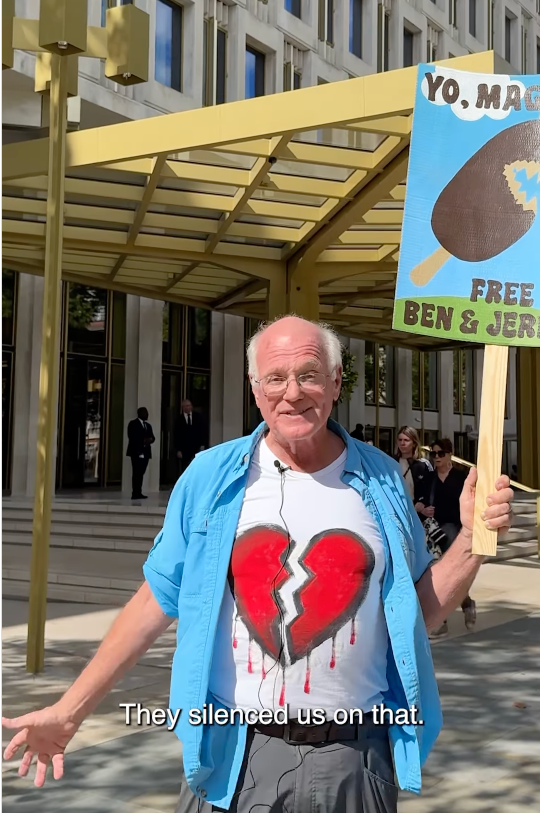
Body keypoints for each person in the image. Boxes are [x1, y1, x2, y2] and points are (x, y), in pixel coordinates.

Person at [3, 316, 513, 813]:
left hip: (354, 757)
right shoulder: (209, 477)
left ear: (336, 382)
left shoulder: (382, 480)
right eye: (275, 378)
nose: (292, 392)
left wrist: (471, 538)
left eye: (309, 374)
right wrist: (70, 712)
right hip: (232, 758)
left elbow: (417, 615)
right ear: (255, 389)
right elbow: (152, 605)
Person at [416, 438, 477, 638]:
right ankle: (442, 620)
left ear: (450, 454)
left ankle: (466, 603)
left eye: (440, 453)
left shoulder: (461, 477)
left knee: (453, 571)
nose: (437, 457)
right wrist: (423, 508)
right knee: (435, 572)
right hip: (434, 531)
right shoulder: (429, 478)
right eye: (433, 454)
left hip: (455, 530)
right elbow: (418, 500)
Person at [395, 425, 432, 502]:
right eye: (400, 440)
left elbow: (430, 489)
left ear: (414, 443)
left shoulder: (423, 464)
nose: (402, 443)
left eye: (406, 440)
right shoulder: (392, 462)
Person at [126, 407, 155, 500]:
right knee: (136, 472)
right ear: (140, 414)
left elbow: (152, 437)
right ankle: (135, 492)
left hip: (146, 453)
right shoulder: (133, 424)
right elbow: (132, 436)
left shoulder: (148, 425)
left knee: (141, 472)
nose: (147, 415)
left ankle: (139, 491)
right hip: (136, 452)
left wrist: (150, 440)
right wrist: (143, 440)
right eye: (145, 413)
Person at [174, 399, 206, 476]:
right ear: (182, 408)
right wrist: (178, 450)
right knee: (185, 468)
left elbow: (203, 431)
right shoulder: (179, 419)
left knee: (196, 467)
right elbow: (176, 435)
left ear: (191, 406)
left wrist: (202, 444)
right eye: (185, 406)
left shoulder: (198, 417)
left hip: (196, 447)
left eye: (188, 406)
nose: (187, 408)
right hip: (184, 448)